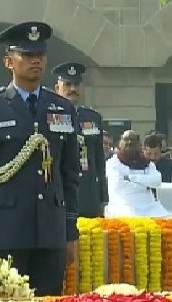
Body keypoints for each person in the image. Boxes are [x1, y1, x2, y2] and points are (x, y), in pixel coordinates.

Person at [0, 21, 80, 296]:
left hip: (50, 233)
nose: (35, 61)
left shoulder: (62, 108)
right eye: (26, 55)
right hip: (6, 232)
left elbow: (70, 176)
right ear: (8, 61)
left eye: (40, 55)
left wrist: (70, 231)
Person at [53, 61, 108, 217]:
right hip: (61, 192)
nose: (72, 89)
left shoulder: (93, 117)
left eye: (76, 85)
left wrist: (103, 197)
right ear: (58, 88)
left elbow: (99, 160)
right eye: (68, 84)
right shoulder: (49, 116)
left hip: (88, 194)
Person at [105, 131, 170, 218]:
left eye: (133, 140)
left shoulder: (146, 162)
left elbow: (157, 181)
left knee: (169, 220)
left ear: (139, 144)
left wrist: (131, 178)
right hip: (123, 205)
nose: (129, 143)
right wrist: (146, 185)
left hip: (150, 206)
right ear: (120, 143)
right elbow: (119, 185)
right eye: (126, 140)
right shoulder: (113, 163)